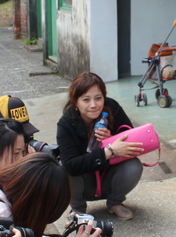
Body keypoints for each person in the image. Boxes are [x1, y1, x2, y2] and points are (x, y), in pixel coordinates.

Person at [57, 72, 145, 220]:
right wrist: (108, 151)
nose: (93, 105)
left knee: (133, 166)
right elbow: (70, 164)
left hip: (110, 177)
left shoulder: (113, 108)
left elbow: (130, 138)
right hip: (83, 183)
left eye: (98, 98)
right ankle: (78, 209)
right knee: (62, 167)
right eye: (86, 99)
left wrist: (112, 138)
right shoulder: (66, 123)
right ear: (75, 102)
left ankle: (115, 203)